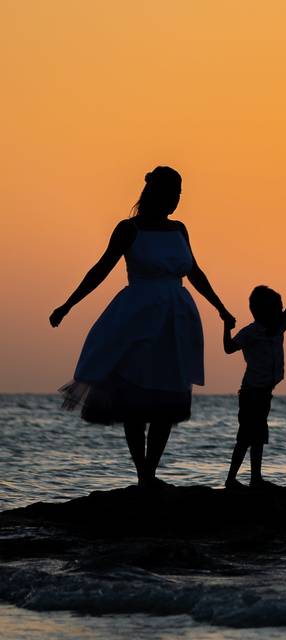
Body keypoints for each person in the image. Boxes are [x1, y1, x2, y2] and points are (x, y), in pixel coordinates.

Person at [50, 166, 234, 487]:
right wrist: (67, 305)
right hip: (136, 319)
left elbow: (195, 272)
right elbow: (101, 269)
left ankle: (151, 471)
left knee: (166, 399)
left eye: (180, 192)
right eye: (173, 191)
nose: (177, 198)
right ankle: (143, 475)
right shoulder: (128, 229)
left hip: (175, 320)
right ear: (156, 192)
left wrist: (221, 308)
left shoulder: (180, 229)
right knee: (134, 400)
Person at [222, 282, 286, 489]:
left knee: (258, 436)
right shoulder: (251, 332)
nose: (281, 312)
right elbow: (229, 348)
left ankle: (255, 478)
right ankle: (232, 479)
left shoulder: (278, 327)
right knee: (246, 437)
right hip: (251, 394)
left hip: (264, 393)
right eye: (277, 309)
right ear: (263, 312)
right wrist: (226, 325)